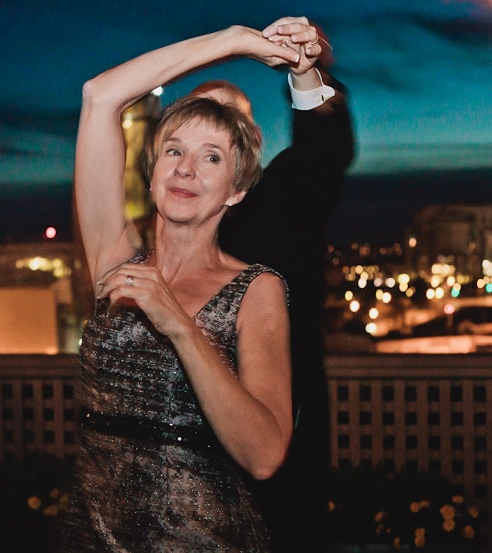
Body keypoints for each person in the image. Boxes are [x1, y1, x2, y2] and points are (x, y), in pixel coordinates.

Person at [59, 18, 316, 552]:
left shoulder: (257, 289)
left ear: (236, 191)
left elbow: (265, 455)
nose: (186, 170)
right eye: (174, 150)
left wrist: (178, 323)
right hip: (91, 537)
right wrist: (237, 42)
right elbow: (99, 96)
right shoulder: (114, 258)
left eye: (212, 158)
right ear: (151, 171)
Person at [197, 17, 355, 553]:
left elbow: (323, 151)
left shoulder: (283, 201)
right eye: (199, 118)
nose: (213, 133)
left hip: (276, 476)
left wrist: (306, 74)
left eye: (228, 119)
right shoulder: (151, 229)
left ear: (251, 142)